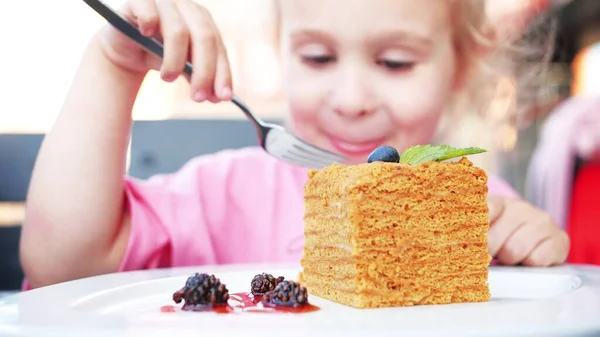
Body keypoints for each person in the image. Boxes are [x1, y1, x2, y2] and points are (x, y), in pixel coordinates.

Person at [20, 0, 569, 289]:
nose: (351, 99)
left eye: (395, 62)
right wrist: (115, 64)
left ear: (460, 68)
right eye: (318, 58)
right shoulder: (223, 194)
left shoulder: (477, 214)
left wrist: (531, 256)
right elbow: (62, 266)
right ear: (281, 54)